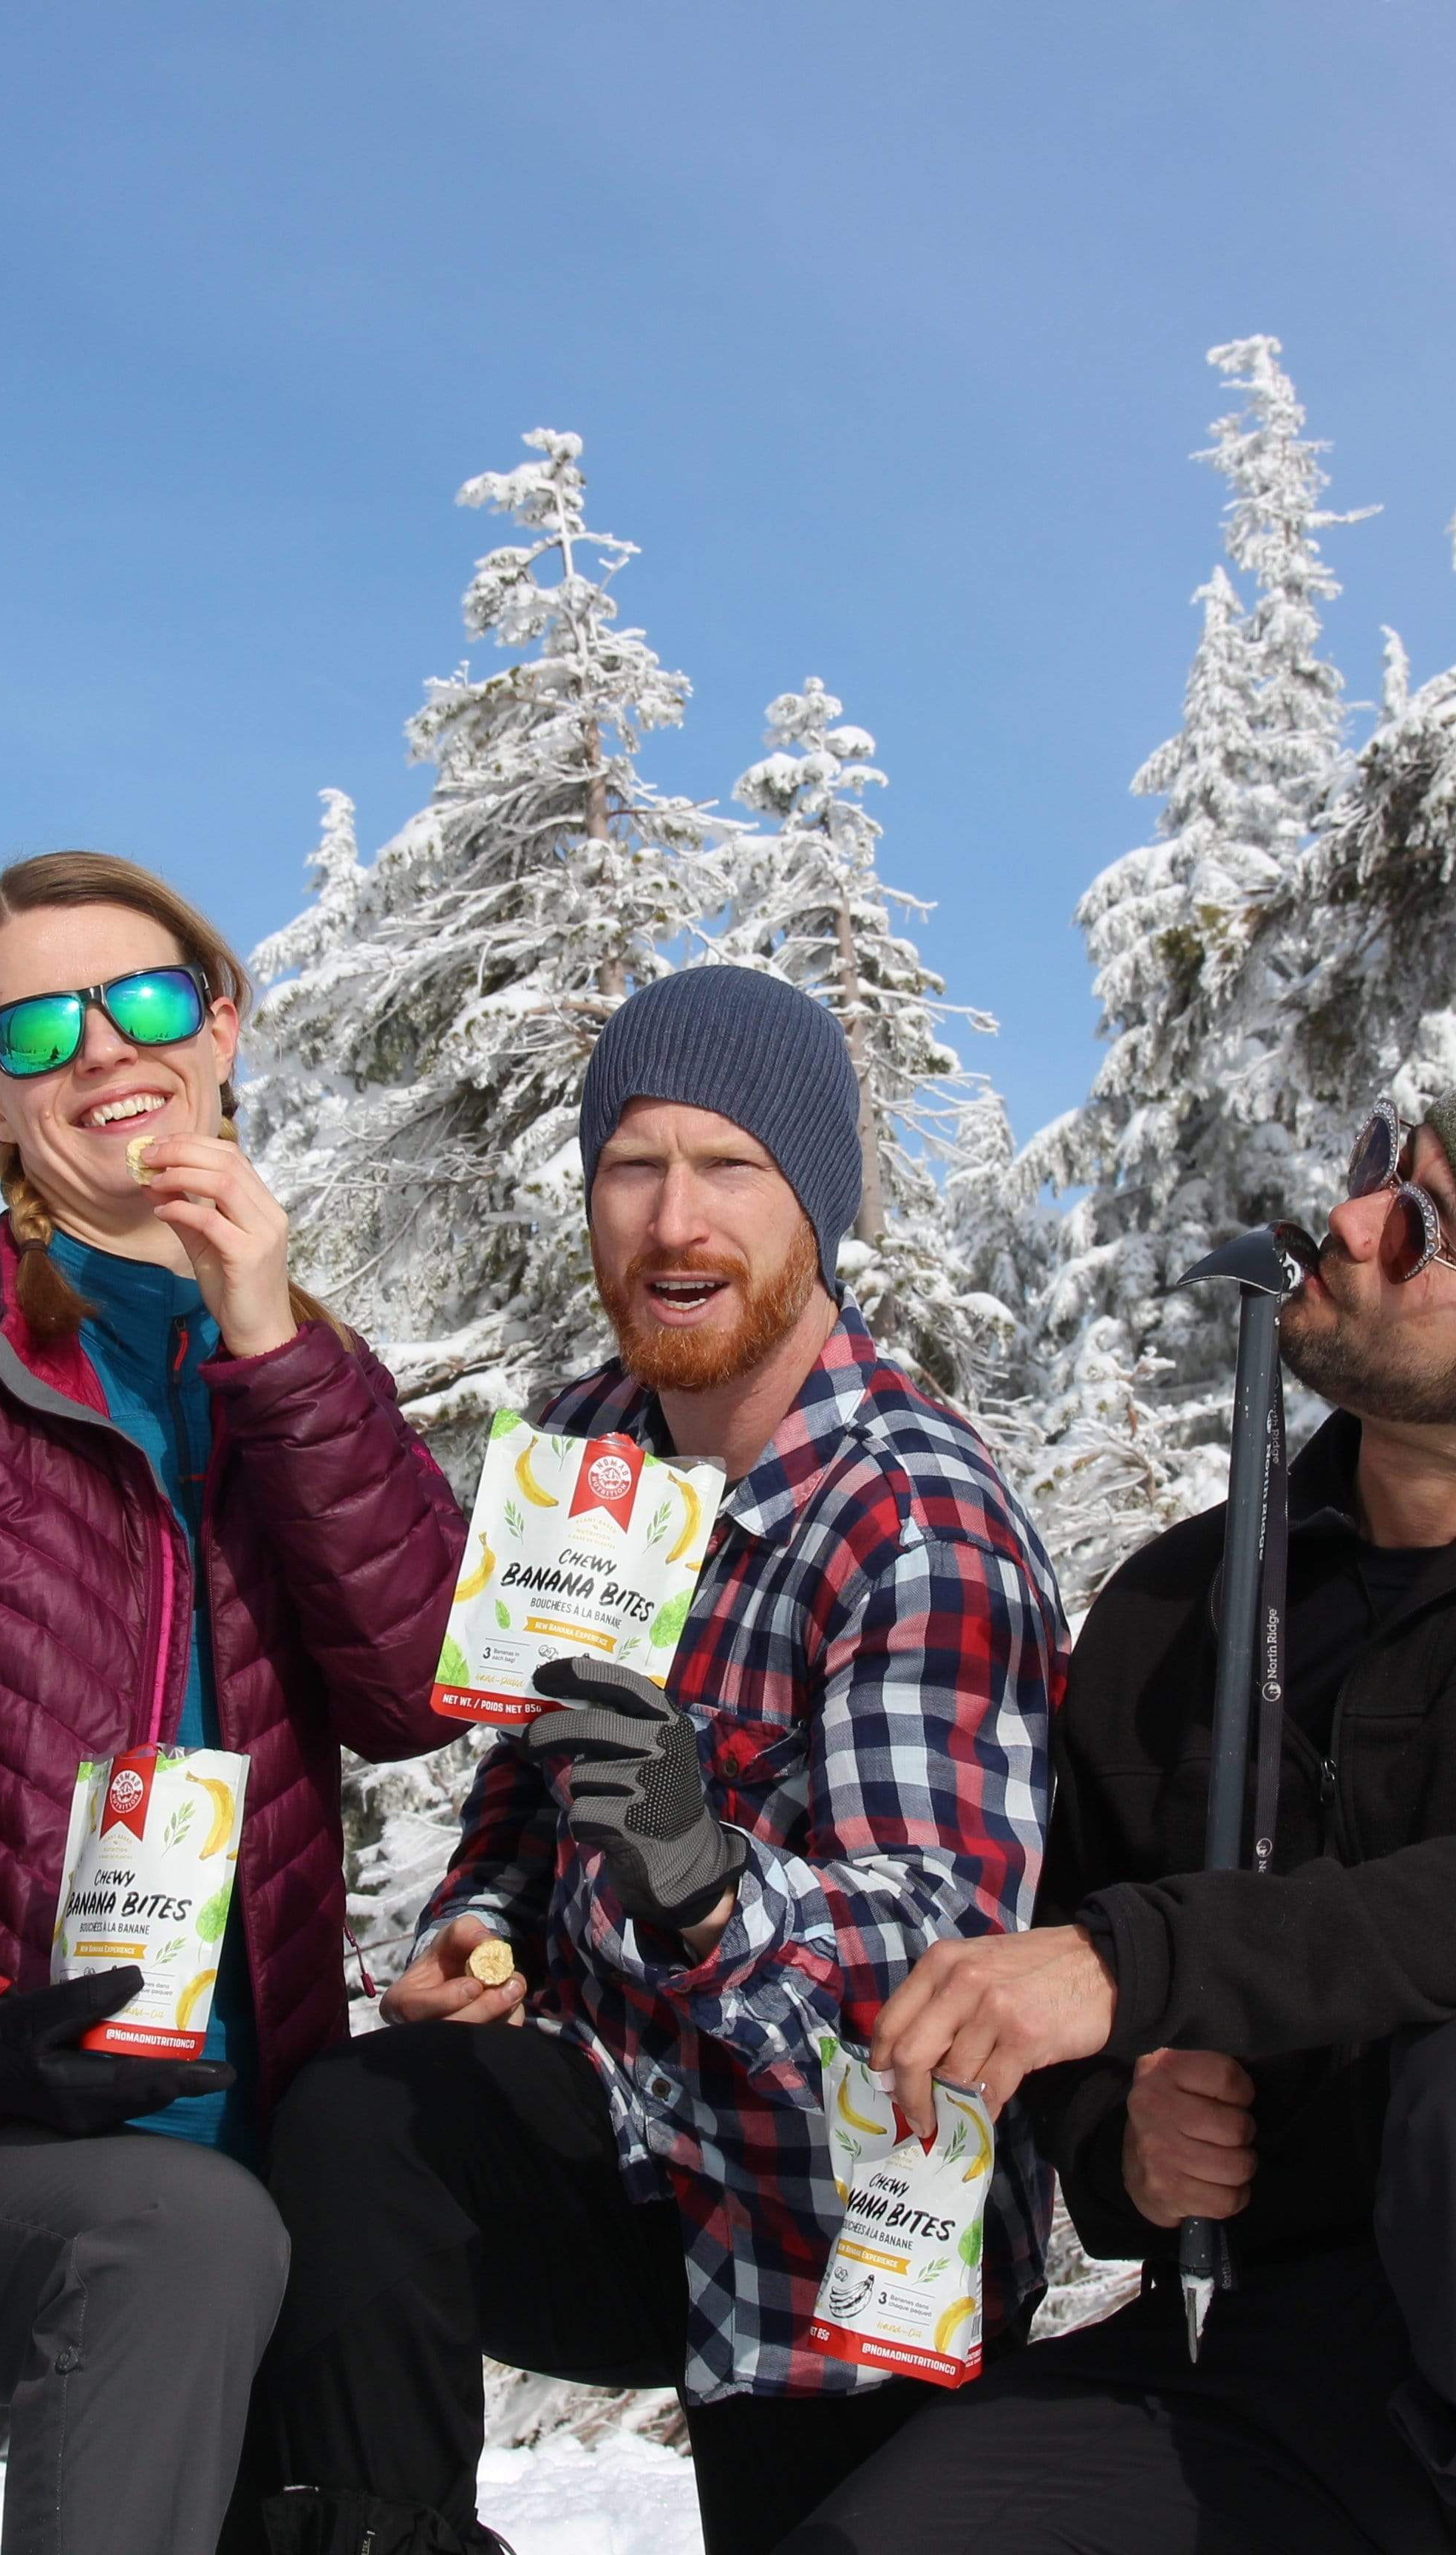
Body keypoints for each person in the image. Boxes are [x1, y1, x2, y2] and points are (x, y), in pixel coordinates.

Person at [806, 1059, 1456, 2555]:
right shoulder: (1184, 1606)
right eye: (1380, 1164)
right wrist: (1129, 2149)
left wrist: (1135, 1963)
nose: (1350, 1218)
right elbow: (1081, 2019)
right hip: (1300, 2335)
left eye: (1423, 1225)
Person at [235, 967, 1070, 2555]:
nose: (674, 1222)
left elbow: (947, 1971)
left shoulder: (915, 1516)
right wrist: (479, 1929)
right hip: (638, 2148)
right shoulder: (589, 1443)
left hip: (845, 2229)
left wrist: (706, 1881)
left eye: (729, 1167)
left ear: (817, 1206)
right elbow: (515, 1789)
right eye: (634, 1166)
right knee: (362, 2131)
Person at [0, 852, 469, 2555]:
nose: (103, 1051)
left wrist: (275, 1342)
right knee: (184, 2235)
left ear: (216, 1028)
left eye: (140, 1000)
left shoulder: (302, 1370)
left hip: (265, 2133)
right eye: (38, 1026)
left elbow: (417, 1685)